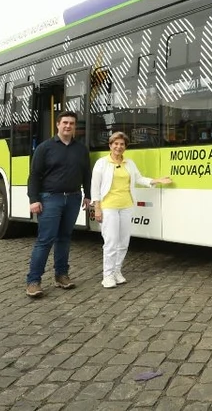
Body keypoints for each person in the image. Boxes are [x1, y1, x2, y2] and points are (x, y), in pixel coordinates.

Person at [90, 131, 171, 288]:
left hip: (126, 206)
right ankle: (107, 276)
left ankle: (117, 271)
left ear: (125, 147)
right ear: (110, 145)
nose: (119, 147)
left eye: (122, 144)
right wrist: (97, 209)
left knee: (123, 242)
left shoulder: (129, 163)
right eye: (116, 144)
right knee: (111, 242)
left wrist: (156, 180)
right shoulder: (102, 163)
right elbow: (95, 188)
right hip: (109, 207)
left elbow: (139, 178)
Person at [24, 110, 92, 298]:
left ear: (74, 127)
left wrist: (88, 195)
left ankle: (61, 275)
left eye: (71, 123)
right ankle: (33, 281)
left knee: (65, 238)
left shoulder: (81, 149)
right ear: (58, 125)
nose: (68, 126)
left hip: (73, 198)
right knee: (45, 240)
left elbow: (87, 174)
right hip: (50, 198)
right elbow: (34, 176)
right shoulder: (45, 148)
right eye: (65, 123)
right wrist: (34, 200)